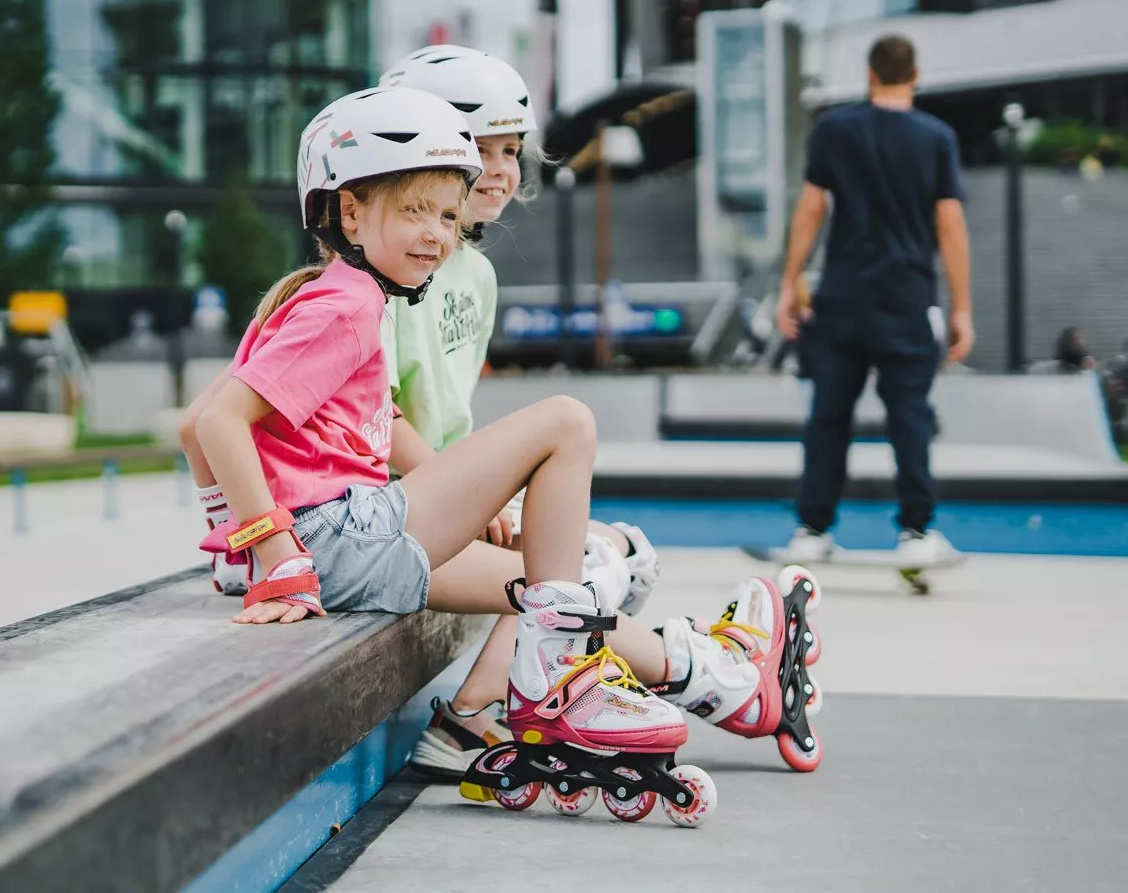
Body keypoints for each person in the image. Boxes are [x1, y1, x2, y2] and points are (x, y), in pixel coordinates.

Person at [180, 87, 824, 807]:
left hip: (342, 541)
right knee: (565, 422)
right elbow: (218, 424)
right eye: (414, 210)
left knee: (541, 581)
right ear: (351, 211)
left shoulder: (324, 293)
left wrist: (236, 548)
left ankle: (700, 682)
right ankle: (556, 686)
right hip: (343, 537)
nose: (435, 234)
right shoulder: (346, 305)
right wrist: (274, 561)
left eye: (449, 216)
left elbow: (194, 424)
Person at [376, 45, 661, 779]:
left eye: (512, 151)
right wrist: (468, 494)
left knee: (612, 548)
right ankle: (481, 714)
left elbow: (449, 414)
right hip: (392, 505)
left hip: (439, 493)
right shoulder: (387, 270)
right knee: (573, 559)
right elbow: (375, 417)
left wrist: (483, 491)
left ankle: (547, 691)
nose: (504, 170)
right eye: (483, 149)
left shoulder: (474, 271)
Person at [775, 34, 975, 567]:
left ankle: (812, 530)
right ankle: (916, 532)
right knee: (909, 415)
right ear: (915, 75)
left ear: (869, 76)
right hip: (906, 300)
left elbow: (811, 209)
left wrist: (789, 283)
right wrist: (962, 308)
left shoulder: (835, 129)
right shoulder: (937, 138)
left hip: (841, 297)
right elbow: (950, 225)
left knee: (828, 416)